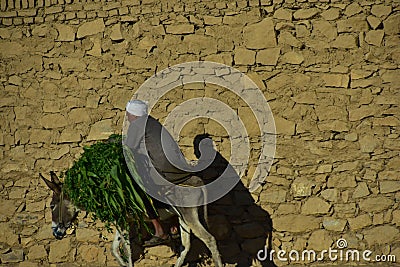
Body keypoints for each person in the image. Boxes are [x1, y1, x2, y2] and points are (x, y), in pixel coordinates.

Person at [124, 99, 193, 247]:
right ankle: (174, 223)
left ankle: (159, 230)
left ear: (134, 114)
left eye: (128, 114)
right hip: (179, 168)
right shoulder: (152, 122)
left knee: (140, 189)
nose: (127, 117)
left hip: (165, 171)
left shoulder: (137, 124)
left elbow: (128, 150)